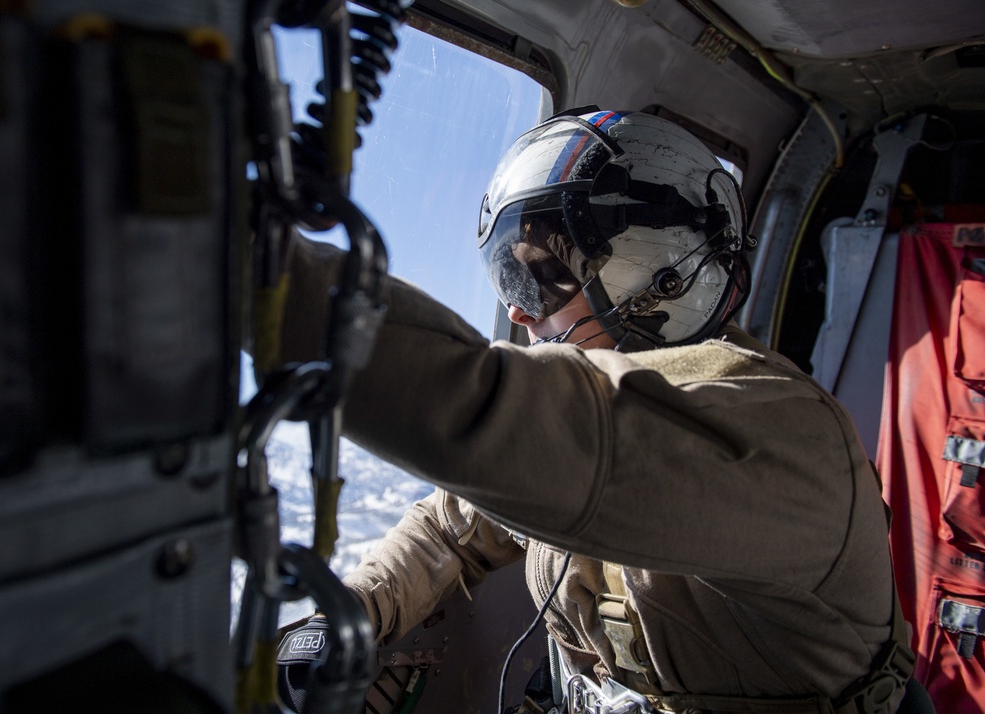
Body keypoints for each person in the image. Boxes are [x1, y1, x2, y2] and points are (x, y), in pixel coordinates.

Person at [268, 109, 913, 713]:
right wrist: (354, 611)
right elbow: (452, 523)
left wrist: (258, 279)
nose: (518, 313)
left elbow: (479, 416)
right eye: (508, 284)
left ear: (660, 277)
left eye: (540, 279)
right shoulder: (586, 420)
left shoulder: (778, 434)